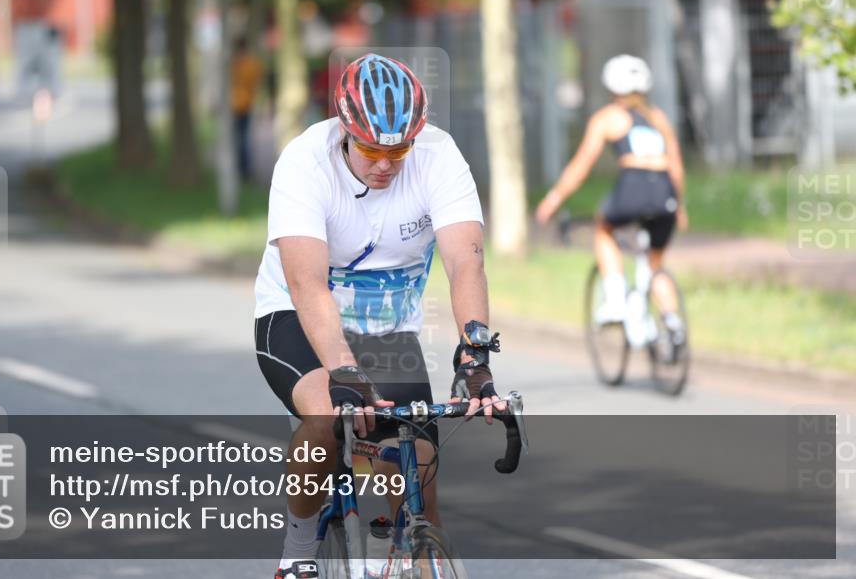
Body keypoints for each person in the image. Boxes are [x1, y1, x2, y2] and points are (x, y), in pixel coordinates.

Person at [254, 53, 505, 579]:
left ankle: (404, 557)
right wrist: (344, 371)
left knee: (416, 479)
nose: (385, 164)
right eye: (370, 148)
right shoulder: (304, 162)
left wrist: (474, 354)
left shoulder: (439, 156)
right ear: (345, 130)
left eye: (398, 148)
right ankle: (297, 552)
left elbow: (465, 262)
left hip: (388, 330)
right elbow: (307, 284)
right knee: (326, 417)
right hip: (298, 316)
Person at [535, 54, 688, 343]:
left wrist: (554, 199)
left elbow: (581, 165)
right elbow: (676, 166)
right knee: (655, 261)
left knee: (604, 228)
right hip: (665, 190)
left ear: (612, 88)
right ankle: (672, 321)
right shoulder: (659, 119)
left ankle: (616, 302)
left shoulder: (609, 118)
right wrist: (679, 205)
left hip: (633, 186)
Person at [231, 38, 263, 179]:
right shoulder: (251, 63)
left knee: (241, 140)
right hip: (243, 105)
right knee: (242, 139)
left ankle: (242, 169)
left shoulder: (237, 64)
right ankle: (243, 170)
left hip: (239, 105)